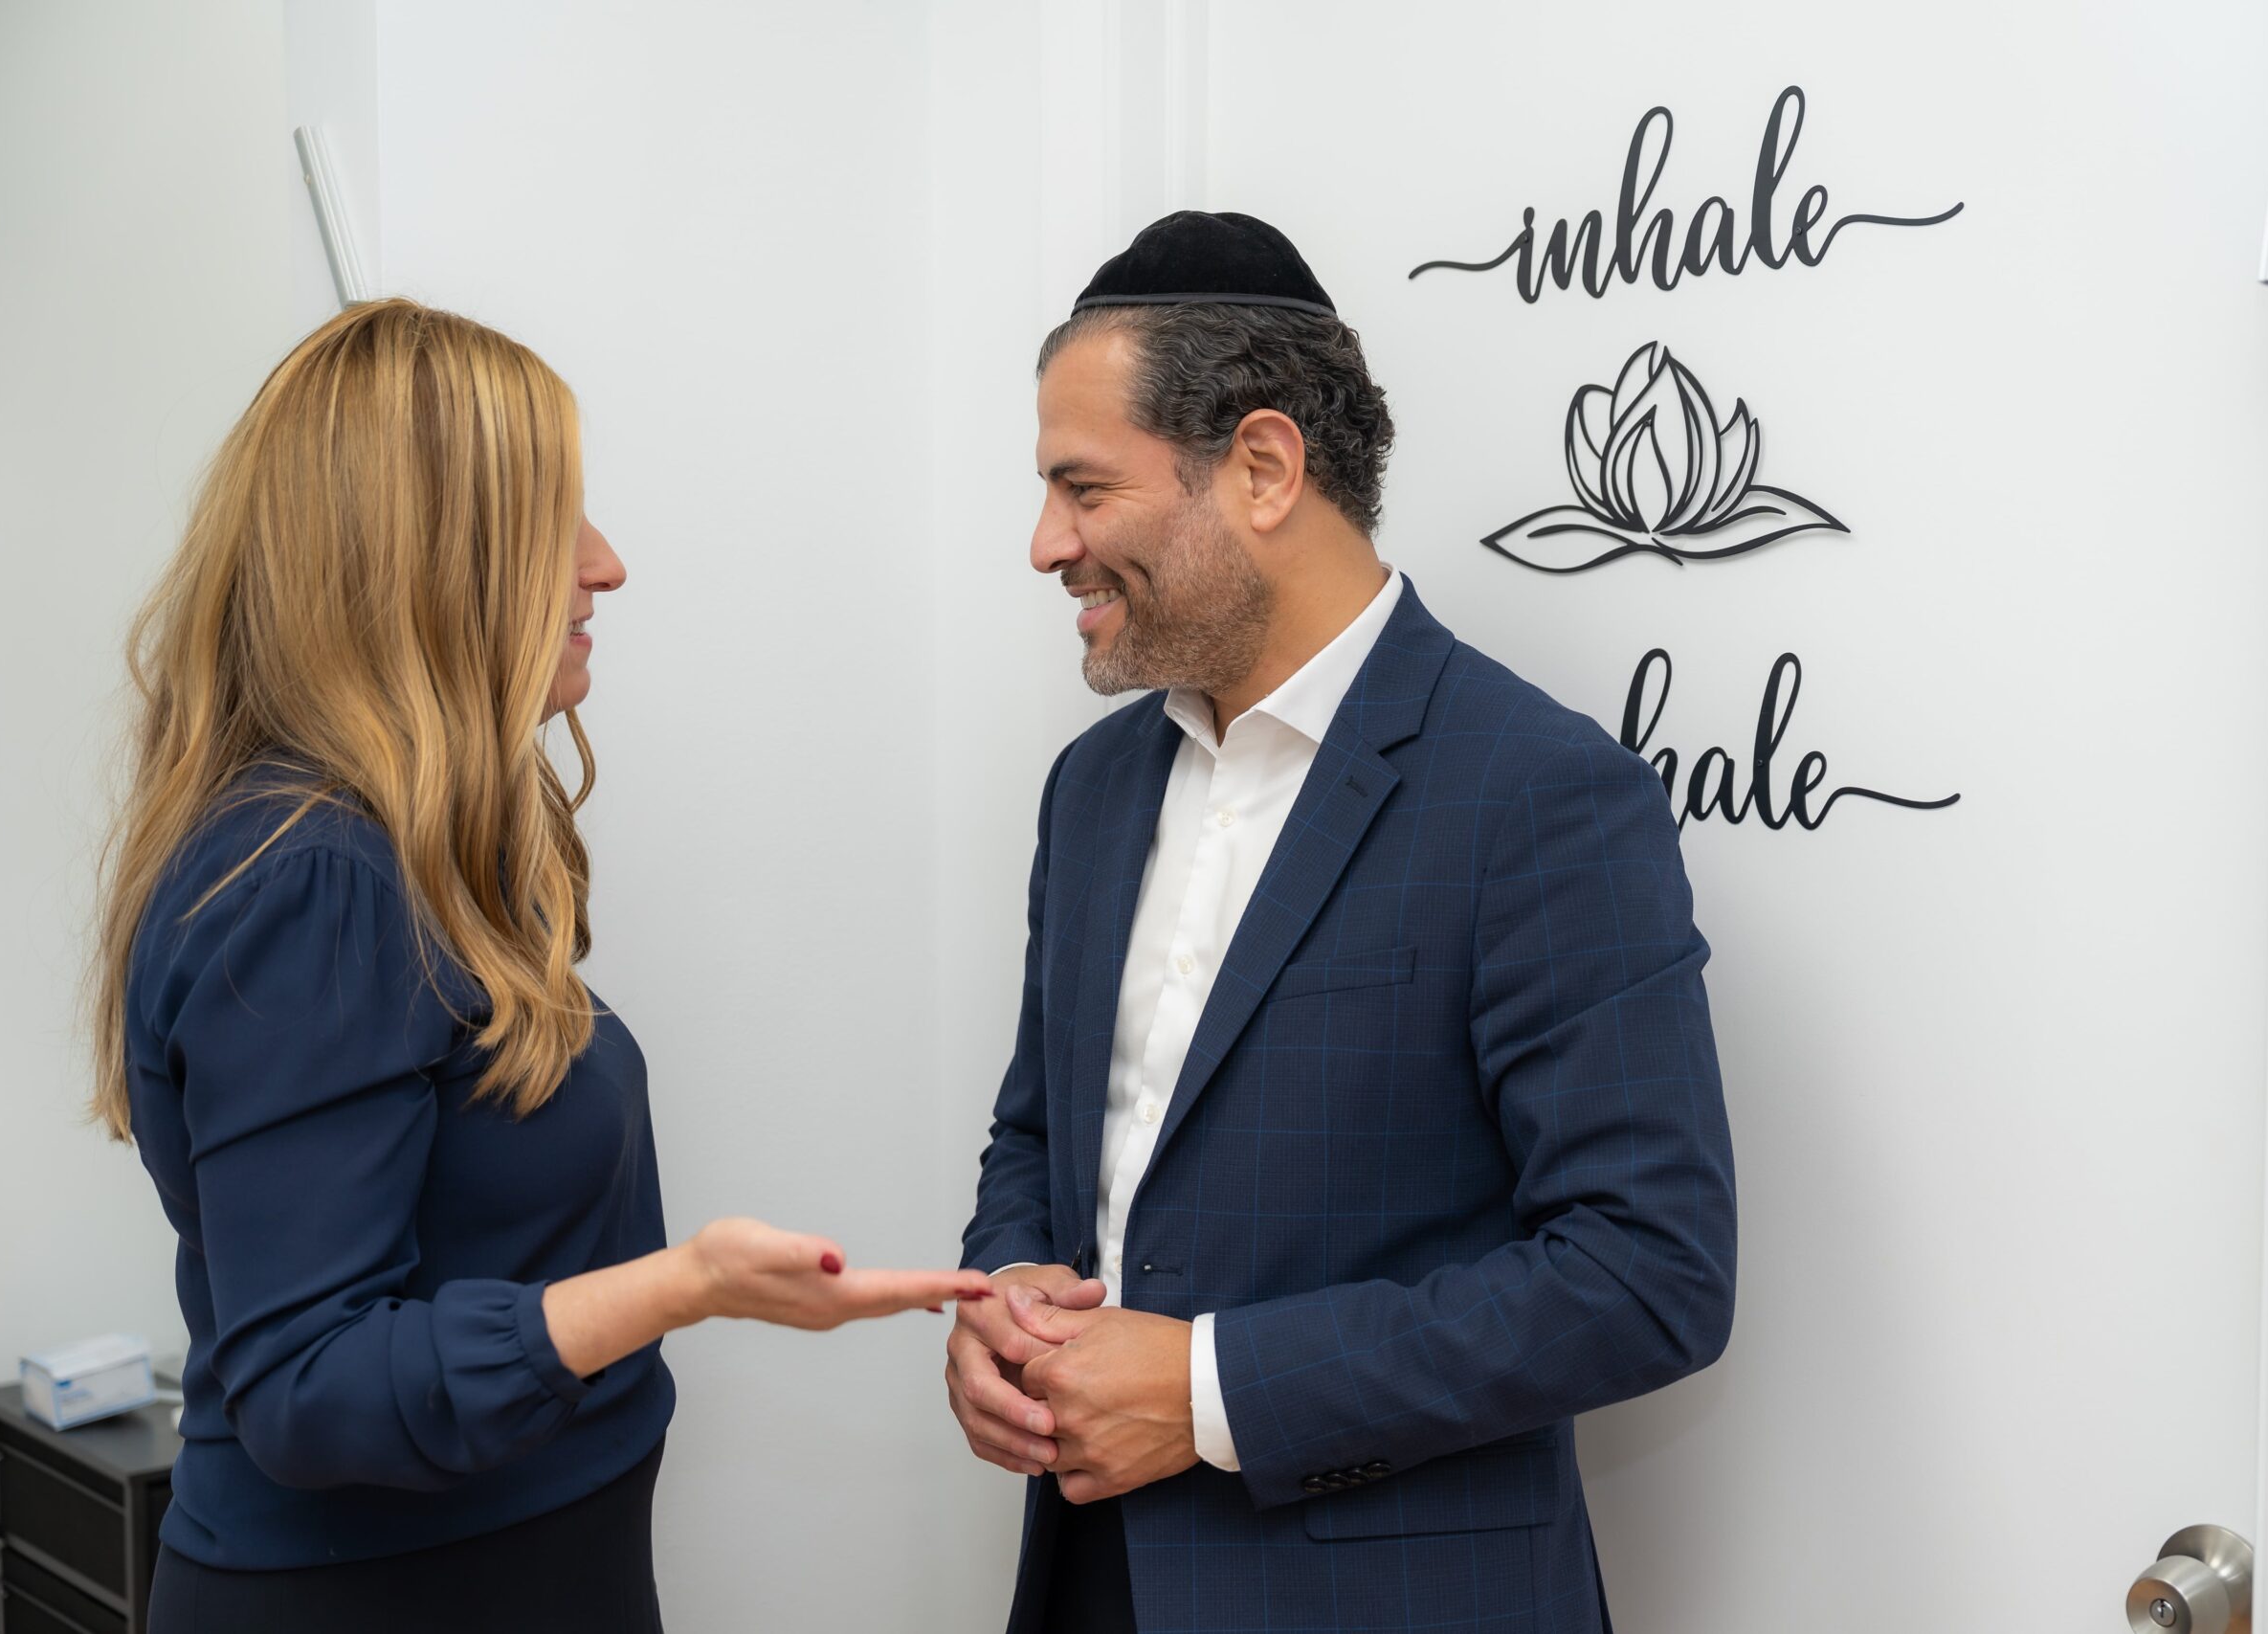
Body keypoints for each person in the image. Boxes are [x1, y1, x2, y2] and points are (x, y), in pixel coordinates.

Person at [88, 300, 989, 1634]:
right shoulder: (314, 878)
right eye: (558, 524)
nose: (607, 566)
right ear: (429, 563)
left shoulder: (401, 852)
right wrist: (686, 1286)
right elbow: (309, 1383)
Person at [946, 213, 1738, 1633]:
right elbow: (1045, 1135)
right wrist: (1011, 1289)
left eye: (1083, 487)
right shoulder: (1093, 789)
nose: (1044, 544)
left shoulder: (1540, 795)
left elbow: (1648, 1273)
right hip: (1091, 1584)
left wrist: (1203, 1395)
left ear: (1261, 468)